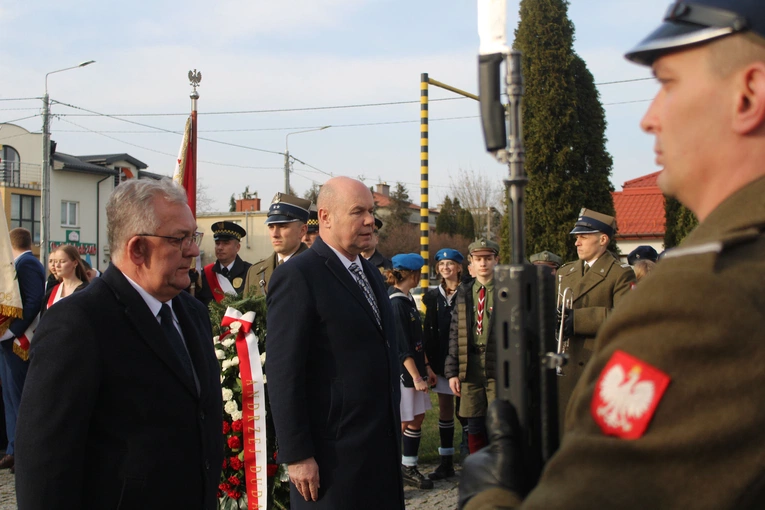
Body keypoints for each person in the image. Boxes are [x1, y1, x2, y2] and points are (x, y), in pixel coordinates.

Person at [459, 2, 765, 508]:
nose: (650, 119)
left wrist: (489, 496)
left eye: (669, 84)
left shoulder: (706, 295)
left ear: (748, 95)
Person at [15, 178, 223, 509]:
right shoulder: (78, 323)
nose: (194, 250)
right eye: (179, 239)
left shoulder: (192, 313)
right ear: (137, 248)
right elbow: (44, 463)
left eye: (193, 236)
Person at [266, 176, 404, 509]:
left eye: (371, 211)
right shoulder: (299, 276)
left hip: (379, 451)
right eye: (358, 211)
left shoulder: (370, 272)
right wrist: (298, 454)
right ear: (325, 217)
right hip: (331, 463)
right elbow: (284, 372)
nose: (370, 220)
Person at [556, 208, 635, 418]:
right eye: (576, 237)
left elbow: (625, 317)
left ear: (602, 239)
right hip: (566, 365)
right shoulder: (565, 272)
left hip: (596, 367)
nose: (577, 243)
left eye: (583, 237)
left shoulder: (620, 274)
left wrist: (579, 320)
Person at [445, 239, 500, 455]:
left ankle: (500, 469)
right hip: (470, 366)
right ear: (471, 265)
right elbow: (454, 333)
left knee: (498, 421)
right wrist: (452, 372)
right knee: (474, 423)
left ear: (497, 261)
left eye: (488, 258)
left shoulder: (507, 290)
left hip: (496, 364)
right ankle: (478, 468)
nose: (483, 263)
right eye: (478, 259)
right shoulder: (464, 292)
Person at [387, 253, 436, 490]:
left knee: (417, 417)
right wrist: (416, 376)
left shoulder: (407, 299)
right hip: (405, 374)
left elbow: (417, 340)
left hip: (416, 369)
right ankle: (388, 470)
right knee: (404, 420)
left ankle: (408, 465)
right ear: (413, 274)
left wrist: (426, 367)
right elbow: (402, 347)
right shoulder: (396, 303)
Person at [0, 228, 45, 473]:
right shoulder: (21, 262)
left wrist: (10, 331)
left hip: (19, 341)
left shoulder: (26, 263)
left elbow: (32, 301)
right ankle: (13, 449)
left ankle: (22, 452)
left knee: (20, 398)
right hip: (9, 342)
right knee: (10, 397)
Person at [422, 247, 464, 480]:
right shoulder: (431, 296)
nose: (446, 268)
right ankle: (445, 461)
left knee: (467, 412)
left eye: (450, 264)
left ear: (459, 267)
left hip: (463, 362)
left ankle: (470, 458)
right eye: (441, 264)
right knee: (445, 412)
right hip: (440, 363)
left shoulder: (467, 291)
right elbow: (428, 333)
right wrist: (429, 366)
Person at [244, 193, 311, 298]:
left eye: (282, 226)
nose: (275, 234)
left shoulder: (317, 269)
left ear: (302, 230)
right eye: (271, 227)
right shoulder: (254, 272)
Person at [196, 221, 251, 306]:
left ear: (237, 247)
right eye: (217, 243)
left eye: (226, 243)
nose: (220, 248)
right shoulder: (205, 275)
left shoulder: (250, 273)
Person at [42, 244, 89, 315]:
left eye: (62, 261)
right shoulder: (52, 291)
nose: (57, 265)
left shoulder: (86, 290)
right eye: (55, 261)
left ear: (75, 263)